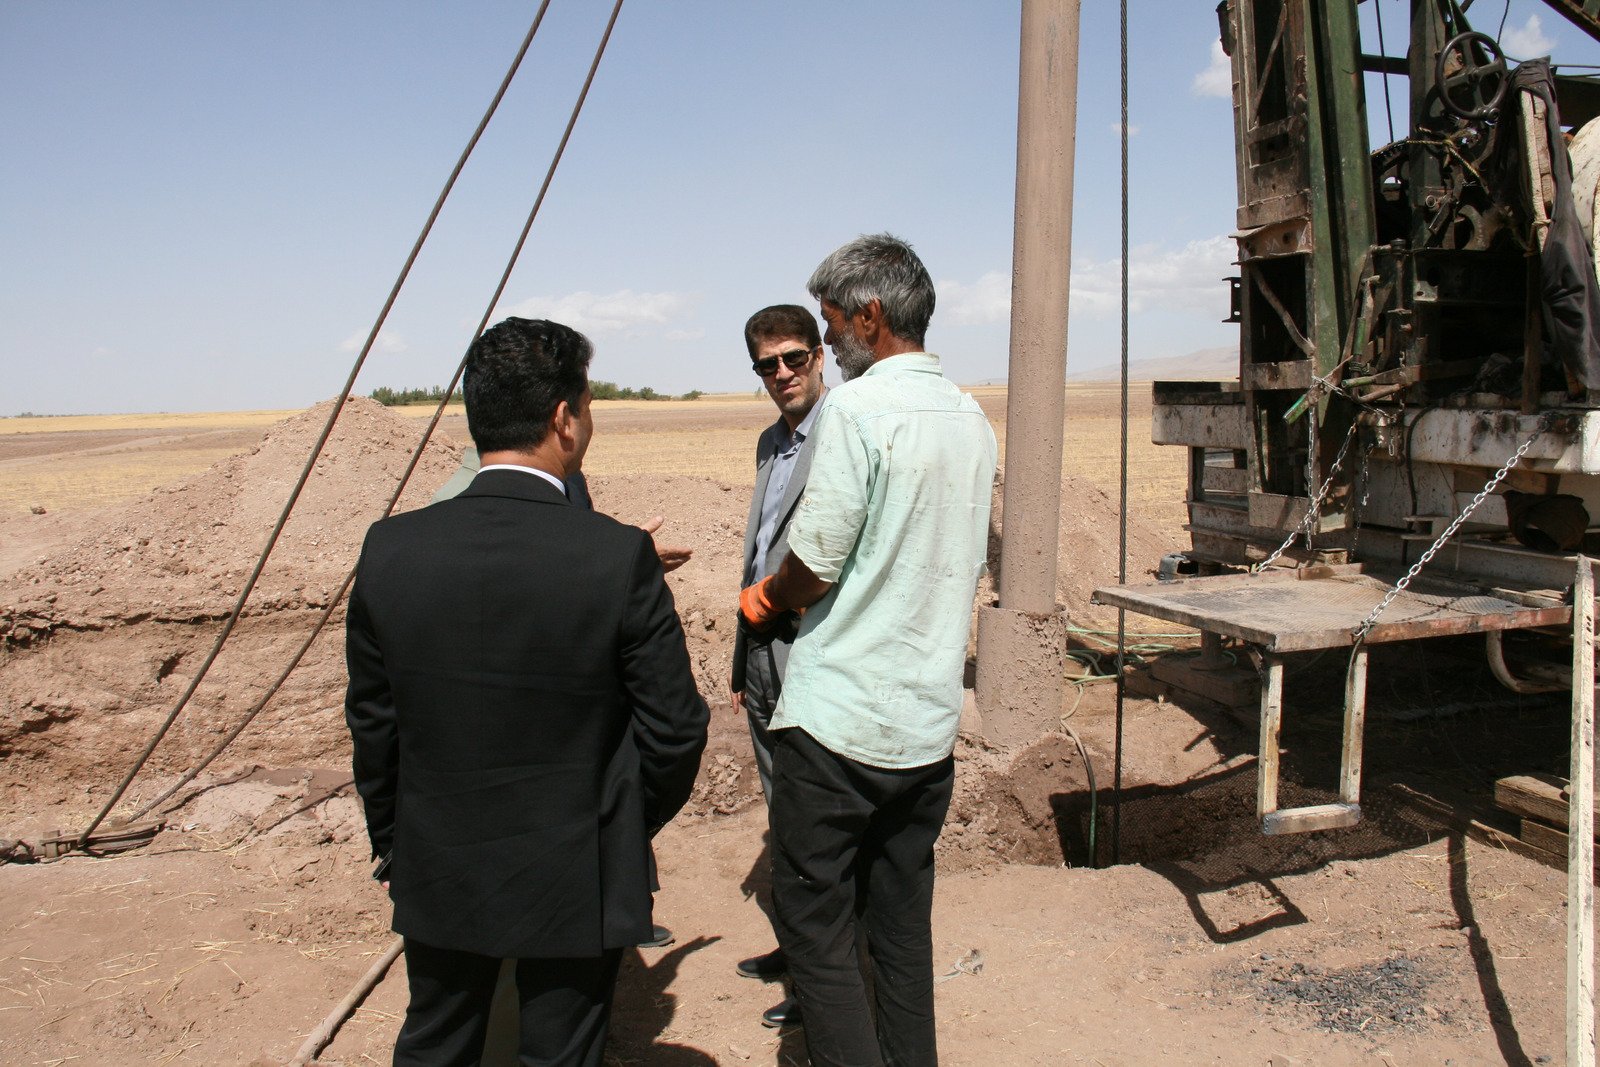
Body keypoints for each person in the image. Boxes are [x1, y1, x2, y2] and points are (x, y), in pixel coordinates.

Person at [346, 316, 709, 1067]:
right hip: (576, 869)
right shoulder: (617, 556)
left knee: (435, 1044)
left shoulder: (390, 549)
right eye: (589, 405)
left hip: (439, 862)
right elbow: (675, 729)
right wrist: (620, 825)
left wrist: (395, 842)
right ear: (564, 418)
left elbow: (375, 724)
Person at [738, 235, 997, 1067]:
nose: (827, 340)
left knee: (816, 928)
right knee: (900, 927)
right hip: (924, 730)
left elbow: (814, 562)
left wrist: (766, 598)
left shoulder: (856, 411)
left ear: (871, 315)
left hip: (839, 727)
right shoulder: (970, 417)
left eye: (830, 322)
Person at [729, 304, 828, 1029]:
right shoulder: (771, 442)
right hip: (764, 648)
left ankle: (822, 980)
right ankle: (798, 946)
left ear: (819, 356)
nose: (783, 373)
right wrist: (742, 657)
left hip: (813, 651)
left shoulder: (843, 433)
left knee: (816, 818)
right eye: (768, 364)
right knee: (782, 811)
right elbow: (759, 551)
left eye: (795, 357)